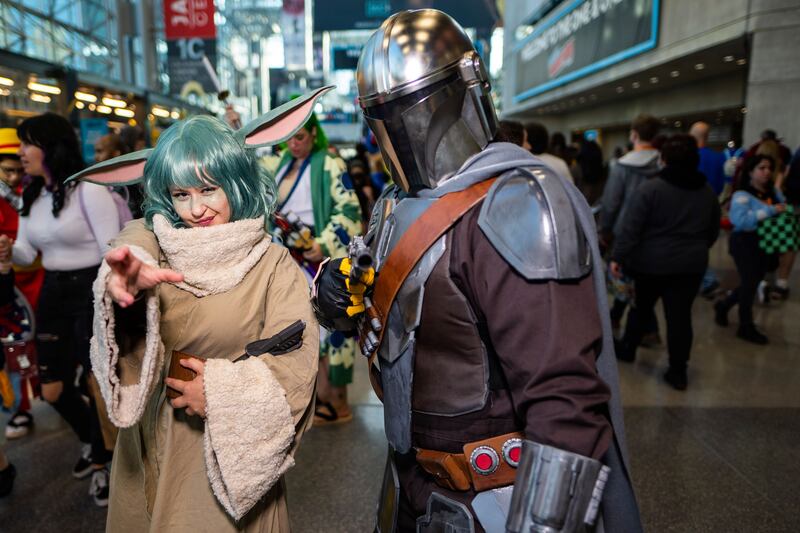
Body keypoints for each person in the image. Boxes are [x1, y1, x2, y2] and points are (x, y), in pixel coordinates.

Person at [312, 10, 641, 532]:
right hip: (409, 483)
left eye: (410, 108)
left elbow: (566, 404)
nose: (401, 130)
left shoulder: (519, 204)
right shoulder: (395, 205)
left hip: (494, 502)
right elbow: (392, 323)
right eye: (383, 115)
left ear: (465, 87)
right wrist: (333, 290)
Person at [69, 91, 326, 531]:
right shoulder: (148, 245)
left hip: (225, 457)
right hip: (148, 446)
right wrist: (120, 294)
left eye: (209, 188)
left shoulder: (271, 263)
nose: (196, 209)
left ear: (237, 182)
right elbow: (136, 240)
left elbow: (296, 364)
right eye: (181, 193)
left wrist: (226, 396)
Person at [0, 113, 119, 506]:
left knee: (97, 384)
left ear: (51, 148)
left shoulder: (90, 191)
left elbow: (113, 250)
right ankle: (93, 441)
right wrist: (6, 250)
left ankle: (106, 465)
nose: (20, 153)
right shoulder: (33, 196)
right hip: (52, 293)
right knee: (51, 389)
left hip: (92, 288)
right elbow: (28, 252)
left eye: (27, 144)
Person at [260, 107, 362, 425]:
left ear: (314, 135)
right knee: (298, 331)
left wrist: (323, 244)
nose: (294, 144)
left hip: (320, 261)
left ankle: (335, 402)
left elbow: (349, 208)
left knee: (330, 331)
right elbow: (247, 168)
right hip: (285, 262)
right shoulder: (278, 165)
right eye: (288, 138)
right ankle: (313, 400)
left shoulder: (330, 164)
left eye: (300, 137)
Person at [611, 135, 720, 390]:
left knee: (641, 307)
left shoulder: (652, 188)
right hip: (691, 265)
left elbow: (631, 228)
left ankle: (628, 348)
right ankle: (678, 370)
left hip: (650, 264)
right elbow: (712, 231)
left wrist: (618, 256)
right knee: (680, 317)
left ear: (664, 159)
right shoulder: (706, 192)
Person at [600, 114, 662, 338]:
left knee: (622, 277)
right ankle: (645, 327)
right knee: (643, 281)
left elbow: (611, 203)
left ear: (634, 134)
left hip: (622, 232)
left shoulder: (622, 166)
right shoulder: (662, 164)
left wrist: (604, 230)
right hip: (654, 233)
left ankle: (617, 319)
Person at [714, 154, 786, 344]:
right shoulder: (742, 195)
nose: (767, 172)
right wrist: (769, 211)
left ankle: (723, 306)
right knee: (749, 282)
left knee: (751, 283)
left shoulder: (772, 193)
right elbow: (741, 221)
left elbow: (782, 209)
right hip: (745, 243)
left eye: (769, 168)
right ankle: (745, 326)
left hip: (767, 241)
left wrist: (778, 198)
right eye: (761, 168)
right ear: (750, 172)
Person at [0, 128, 43, 440]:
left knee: (43, 342)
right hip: (8, 285)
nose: (14, 177)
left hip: (40, 278)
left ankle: (51, 389)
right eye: (7, 171)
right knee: (15, 348)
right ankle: (21, 407)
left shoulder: (35, 194)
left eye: (18, 170)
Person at [689, 121, 726, 297]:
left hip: (689, 208)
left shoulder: (689, 156)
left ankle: (707, 279)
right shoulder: (719, 158)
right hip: (711, 207)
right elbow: (720, 186)